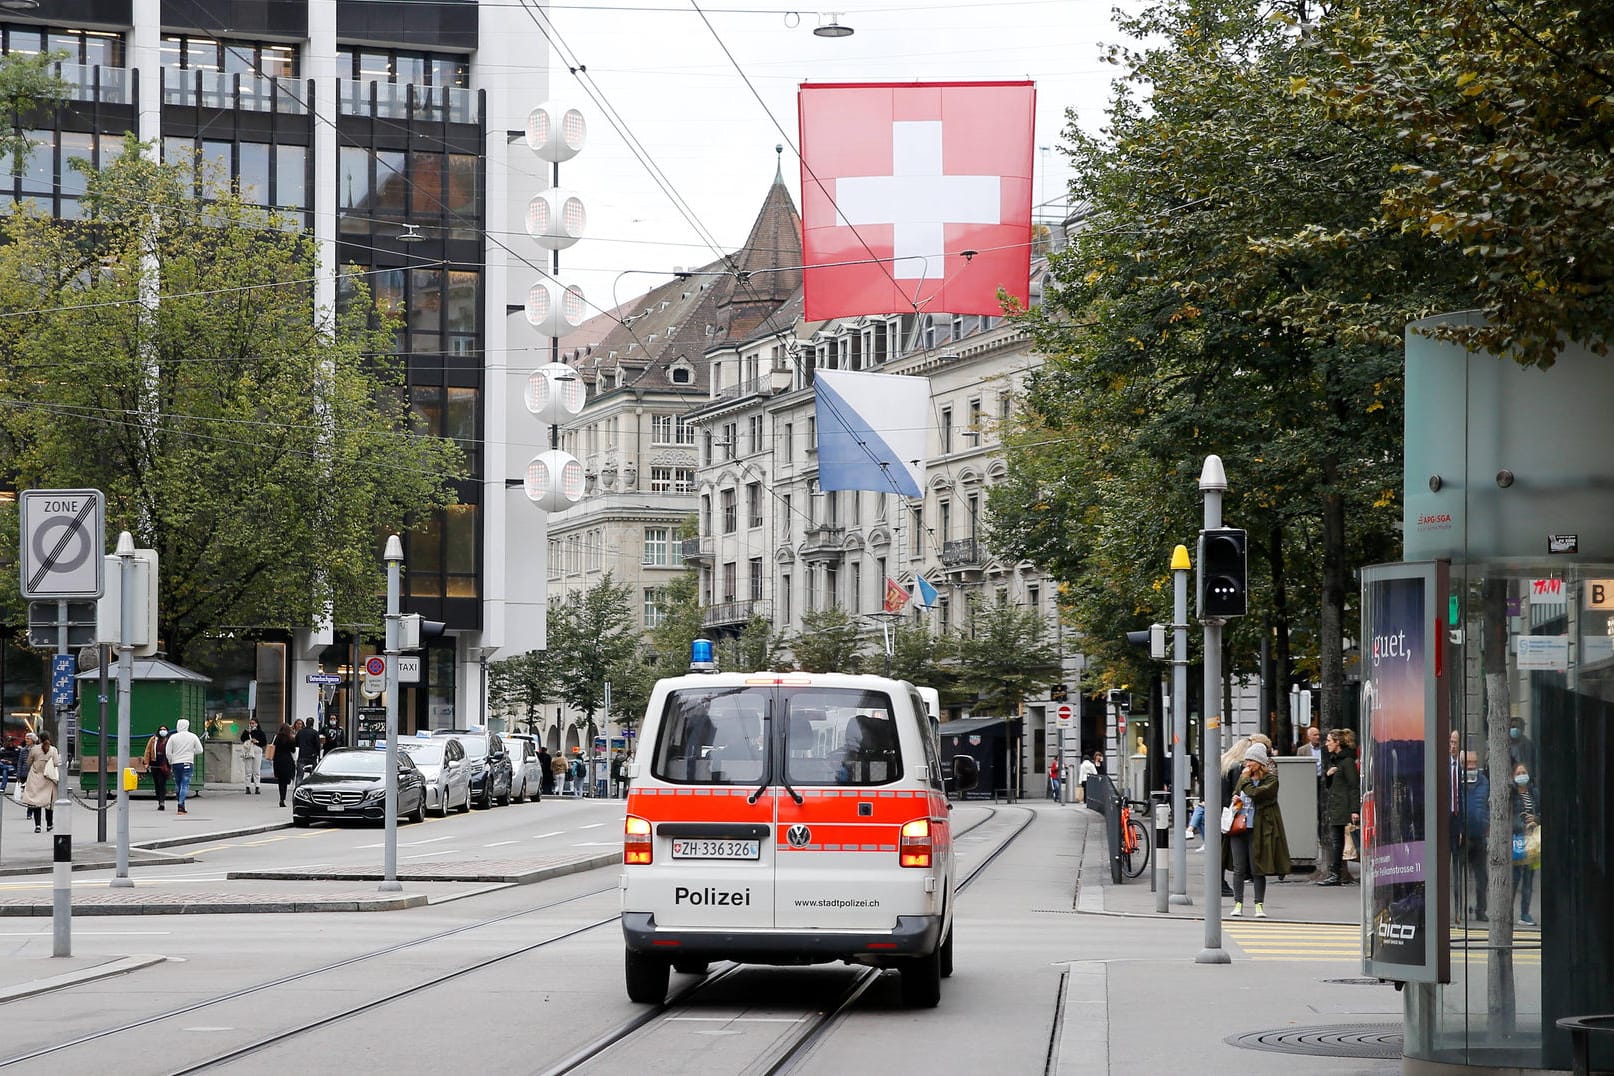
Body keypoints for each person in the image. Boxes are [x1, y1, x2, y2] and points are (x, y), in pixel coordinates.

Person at [1225, 742, 1290, 918]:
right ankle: (1238, 904)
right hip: (1239, 828)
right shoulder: (1243, 777)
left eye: (1251, 761)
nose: (1247, 765)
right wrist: (1236, 798)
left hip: (1259, 829)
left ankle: (1258, 905)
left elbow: (1256, 793)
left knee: (1257, 869)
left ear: (1260, 763)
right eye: (1246, 761)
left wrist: (1245, 780)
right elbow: (1238, 793)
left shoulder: (1270, 780)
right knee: (1239, 868)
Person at [1315, 729, 1360, 886]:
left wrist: (1354, 810)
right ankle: (1335, 874)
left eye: (1329, 740)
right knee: (1337, 841)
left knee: (1340, 841)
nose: (1326, 744)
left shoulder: (1346, 762)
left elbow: (1354, 786)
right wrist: (1329, 775)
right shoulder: (1335, 761)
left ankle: (1336, 874)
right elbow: (1331, 786)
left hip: (1343, 807)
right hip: (1337, 806)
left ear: (1337, 743)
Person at [1454, 749, 1490, 922]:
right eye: (1468, 762)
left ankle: (1481, 910)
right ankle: (1459, 910)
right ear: (1461, 764)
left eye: (1474, 762)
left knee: (1482, 876)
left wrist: (1488, 823)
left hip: (1479, 836)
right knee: (1460, 876)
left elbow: (1489, 804)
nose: (1472, 766)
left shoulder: (1483, 781)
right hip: (1462, 837)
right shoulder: (1457, 782)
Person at [1511, 761, 1537, 927]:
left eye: (1524, 772)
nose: (1522, 776)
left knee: (1529, 878)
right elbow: (1510, 817)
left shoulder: (1534, 792)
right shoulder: (1512, 795)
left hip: (1533, 840)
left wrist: (1535, 820)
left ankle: (1525, 913)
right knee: (1515, 878)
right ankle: (1507, 911)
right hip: (1518, 838)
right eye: (1518, 773)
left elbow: (1540, 812)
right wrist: (1522, 825)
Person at [22, 731, 59, 833]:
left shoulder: (34, 749)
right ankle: (49, 824)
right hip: (48, 779)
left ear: (39, 739)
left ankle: (38, 825)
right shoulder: (53, 750)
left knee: (36, 803)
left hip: (36, 778)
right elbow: (56, 763)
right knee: (48, 804)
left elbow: (29, 762)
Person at [165, 718, 204, 815]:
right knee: (185, 784)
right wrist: (191, 752)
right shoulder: (193, 736)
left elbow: (168, 752)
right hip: (187, 762)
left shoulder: (173, 737)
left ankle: (180, 802)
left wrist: (171, 761)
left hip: (176, 763)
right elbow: (200, 750)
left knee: (178, 783)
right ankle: (181, 805)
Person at [143, 726, 172, 810]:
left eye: (164, 729)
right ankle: (159, 800)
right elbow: (148, 751)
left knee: (161, 783)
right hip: (154, 764)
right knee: (156, 784)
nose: (163, 731)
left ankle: (162, 802)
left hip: (164, 765)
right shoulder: (153, 739)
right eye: (161, 729)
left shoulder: (169, 740)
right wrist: (146, 763)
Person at [239, 718, 267, 795]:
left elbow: (264, 742)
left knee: (256, 770)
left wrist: (257, 741)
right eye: (251, 723)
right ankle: (247, 787)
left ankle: (257, 786)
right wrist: (246, 732)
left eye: (253, 723)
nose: (252, 725)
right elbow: (242, 739)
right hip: (248, 750)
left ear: (257, 724)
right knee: (248, 770)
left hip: (257, 750)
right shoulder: (247, 732)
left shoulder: (260, 732)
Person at [271, 723, 297, 807]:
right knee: (285, 781)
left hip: (277, 760)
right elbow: (293, 750)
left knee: (280, 781)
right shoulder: (290, 738)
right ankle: (283, 798)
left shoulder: (277, 738)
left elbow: (274, 748)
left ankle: (281, 798)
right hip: (287, 760)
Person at [295, 718, 322, 784]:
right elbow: (318, 745)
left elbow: (296, 743)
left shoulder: (300, 732)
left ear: (306, 723)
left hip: (302, 756)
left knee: (299, 775)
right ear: (313, 724)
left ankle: (298, 788)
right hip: (312, 756)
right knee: (313, 775)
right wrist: (318, 754)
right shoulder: (315, 732)